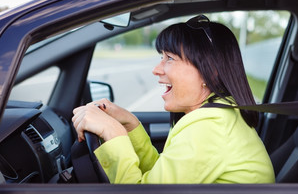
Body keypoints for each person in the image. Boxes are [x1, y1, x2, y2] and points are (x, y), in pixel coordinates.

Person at [72, 14, 275, 184]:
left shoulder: (210, 126)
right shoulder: (220, 112)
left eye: (169, 58)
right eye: (161, 57)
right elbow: (161, 178)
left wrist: (113, 132)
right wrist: (130, 124)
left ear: (209, 72)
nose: (156, 69)